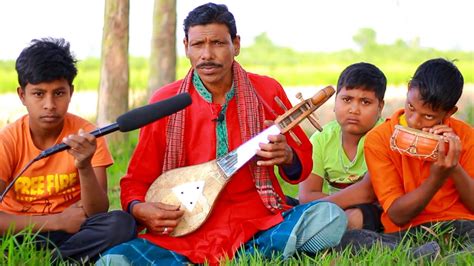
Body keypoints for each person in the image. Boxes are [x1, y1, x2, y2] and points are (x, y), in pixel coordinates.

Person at [99, 3, 347, 265]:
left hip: (257, 223)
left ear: (235, 45)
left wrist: (287, 156)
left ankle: (245, 254)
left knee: (329, 217)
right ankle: (251, 257)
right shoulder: (167, 101)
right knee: (113, 260)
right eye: (197, 45)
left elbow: (302, 166)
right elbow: (136, 180)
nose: (207, 54)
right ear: (185, 47)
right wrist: (140, 209)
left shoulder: (266, 90)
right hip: (185, 231)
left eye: (217, 43)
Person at [0, 38, 136, 263]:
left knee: (122, 223)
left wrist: (84, 165)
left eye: (59, 93)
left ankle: (50, 259)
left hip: (72, 232)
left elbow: (98, 212)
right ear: (22, 95)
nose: (50, 104)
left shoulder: (88, 134)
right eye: (38, 94)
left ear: (71, 92)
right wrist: (56, 220)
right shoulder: (8, 140)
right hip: (18, 231)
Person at [339, 58, 474, 255]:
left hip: (460, 225)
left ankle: (441, 257)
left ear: (449, 112)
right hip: (405, 232)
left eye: (428, 116)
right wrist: (436, 179)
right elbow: (397, 215)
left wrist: (453, 167)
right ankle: (419, 253)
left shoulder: (465, 136)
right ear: (409, 88)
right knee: (350, 239)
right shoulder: (380, 138)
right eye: (411, 107)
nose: (415, 121)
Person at [298, 62, 386, 232]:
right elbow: (307, 195)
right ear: (335, 101)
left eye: (365, 102)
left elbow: (366, 193)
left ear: (380, 107)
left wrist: (310, 209)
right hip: (334, 207)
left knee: (355, 218)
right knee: (281, 205)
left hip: (378, 209)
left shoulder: (385, 136)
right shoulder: (321, 139)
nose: (354, 109)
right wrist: (308, 206)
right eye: (346, 99)